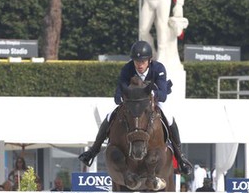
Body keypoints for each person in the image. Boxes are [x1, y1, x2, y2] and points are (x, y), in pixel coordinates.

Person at [78, 40, 193, 174]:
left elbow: (162, 94)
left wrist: (151, 93)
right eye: (137, 61)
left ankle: (180, 157)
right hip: (132, 102)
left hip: (153, 101)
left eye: (143, 61)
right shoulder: (127, 69)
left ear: (149, 60)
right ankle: (93, 151)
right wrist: (122, 97)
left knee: (169, 117)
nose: (139, 64)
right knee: (110, 115)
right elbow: (118, 93)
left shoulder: (158, 68)